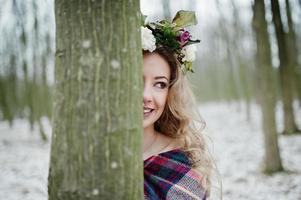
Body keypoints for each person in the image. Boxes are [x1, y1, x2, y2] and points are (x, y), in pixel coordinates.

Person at [141, 11, 213, 200]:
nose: (146, 96)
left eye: (160, 84)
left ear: (169, 93)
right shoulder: (93, 155)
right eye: (136, 81)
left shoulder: (182, 161)